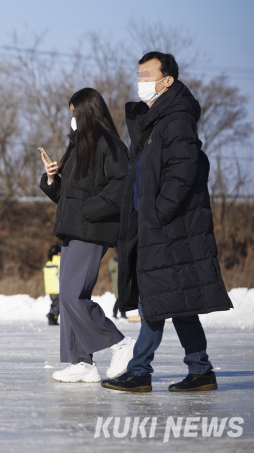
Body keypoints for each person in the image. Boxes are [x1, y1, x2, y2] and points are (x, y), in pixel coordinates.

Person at [101, 52, 232, 393]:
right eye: (139, 73)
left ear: (167, 80)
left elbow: (183, 171)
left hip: (168, 227)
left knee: (154, 299)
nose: (140, 79)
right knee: (176, 300)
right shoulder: (156, 120)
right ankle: (201, 369)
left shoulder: (175, 119)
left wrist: (157, 214)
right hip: (156, 225)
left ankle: (140, 370)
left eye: (147, 74)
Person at [39, 87, 135, 383]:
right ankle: (80, 362)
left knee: (71, 294)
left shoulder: (111, 146)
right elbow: (68, 198)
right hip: (73, 229)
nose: (71, 120)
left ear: (87, 113)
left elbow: (121, 186)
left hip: (91, 230)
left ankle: (120, 343)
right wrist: (52, 179)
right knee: (67, 297)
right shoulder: (77, 148)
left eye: (74, 114)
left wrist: (90, 210)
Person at [44, 245, 61, 326]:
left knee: (55, 303)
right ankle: (52, 316)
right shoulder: (60, 262)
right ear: (58, 253)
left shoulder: (48, 263)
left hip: (50, 289)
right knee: (58, 304)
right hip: (57, 288)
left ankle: (52, 317)